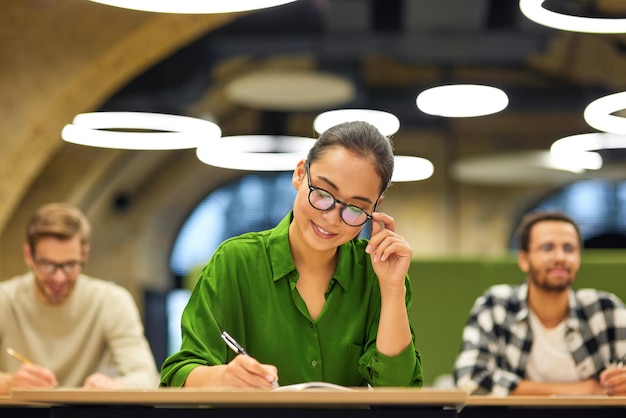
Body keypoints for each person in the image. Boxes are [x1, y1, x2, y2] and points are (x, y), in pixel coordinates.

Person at [160, 121, 423, 388]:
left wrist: (391, 288)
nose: (332, 218)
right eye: (322, 193)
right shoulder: (235, 262)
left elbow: (398, 391)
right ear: (300, 174)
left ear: (375, 207)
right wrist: (223, 378)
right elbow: (177, 377)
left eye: (355, 208)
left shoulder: (375, 274)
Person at [454, 210, 626, 396]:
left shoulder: (606, 309)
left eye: (569, 249)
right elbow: (469, 378)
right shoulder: (496, 306)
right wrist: (580, 390)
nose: (560, 257)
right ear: (524, 260)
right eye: (547, 248)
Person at [0, 202, 159, 393]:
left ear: (84, 254)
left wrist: (116, 386)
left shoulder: (111, 301)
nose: (59, 278)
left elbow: (147, 377)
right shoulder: (4, 299)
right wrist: (9, 382)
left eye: (70, 265)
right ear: (29, 256)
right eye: (47, 265)